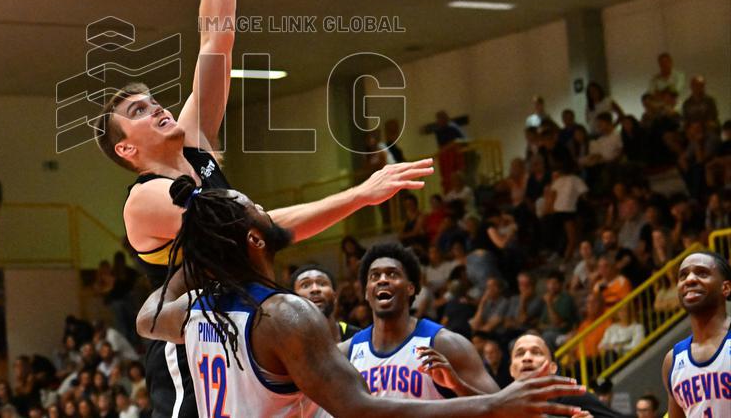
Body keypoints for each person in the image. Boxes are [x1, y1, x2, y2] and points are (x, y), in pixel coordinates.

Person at [96, 0, 435, 418]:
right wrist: (359, 194)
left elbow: (216, 37)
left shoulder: (196, 146)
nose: (155, 106)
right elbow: (262, 229)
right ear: (127, 149)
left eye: (152, 99)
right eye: (138, 110)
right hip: (189, 356)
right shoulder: (145, 199)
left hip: (243, 330)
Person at [137, 176, 586, 418]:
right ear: (255, 239)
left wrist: (201, 254)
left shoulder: (194, 310)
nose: (269, 212)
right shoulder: (283, 315)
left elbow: (146, 319)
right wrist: (494, 404)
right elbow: (360, 409)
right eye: (258, 209)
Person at [344, 242, 499, 399]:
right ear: (366, 292)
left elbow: (500, 407)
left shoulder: (445, 344)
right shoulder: (347, 353)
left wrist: (457, 386)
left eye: (392, 274)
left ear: (410, 288)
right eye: (374, 276)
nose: (382, 280)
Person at [662, 250, 731, 418]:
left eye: (702, 273)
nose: (690, 279)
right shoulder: (673, 360)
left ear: (726, 288)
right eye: (683, 275)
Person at [509, 333, 626, 418]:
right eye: (520, 354)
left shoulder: (573, 397)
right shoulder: (503, 408)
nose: (527, 358)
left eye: (536, 352)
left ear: (552, 368)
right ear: (512, 370)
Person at [291, 264, 355, 342]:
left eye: (322, 284)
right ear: (293, 299)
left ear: (335, 296)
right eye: (305, 285)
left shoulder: (358, 338)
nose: (315, 289)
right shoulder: (285, 343)